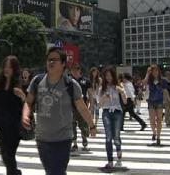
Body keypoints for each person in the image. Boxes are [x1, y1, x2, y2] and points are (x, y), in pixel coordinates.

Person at [22, 47, 96, 175]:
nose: (51, 62)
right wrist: (25, 115)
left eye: (55, 60)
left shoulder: (71, 85)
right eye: (49, 60)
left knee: (56, 171)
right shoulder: (37, 81)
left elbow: (82, 107)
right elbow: (28, 102)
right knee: (51, 171)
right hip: (42, 137)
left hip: (63, 138)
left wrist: (92, 125)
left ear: (63, 64)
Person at [98, 66, 127, 170]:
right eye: (106, 76)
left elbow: (125, 102)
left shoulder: (118, 86)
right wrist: (104, 98)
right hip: (106, 112)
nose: (108, 78)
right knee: (108, 137)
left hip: (117, 112)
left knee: (116, 136)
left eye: (110, 75)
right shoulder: (102, 88)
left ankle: (118, 149)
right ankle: (110, 161)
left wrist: (122, 92)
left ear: (113, 76)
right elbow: (99, 105)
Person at [143, 64, 169, 146]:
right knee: (152, 121)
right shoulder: (149, 81)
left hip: (159, 101)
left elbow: (165, 91)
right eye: (153, 71)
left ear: (159, 71)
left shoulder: (162, 81)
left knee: (159, 120)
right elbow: (143, 83)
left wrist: (168, 101)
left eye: (156, 70)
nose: (155, 72)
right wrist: (147, 73)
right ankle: (154, 132)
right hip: (151, 101)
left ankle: (158, 137)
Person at [69, 64, 92, 153]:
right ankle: (74, 144)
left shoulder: (85, 81)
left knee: (83, 125)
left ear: (79, 70)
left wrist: (91, 106)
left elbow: (90, 94)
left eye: (76, 70)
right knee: (72, 125)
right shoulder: (68, 81)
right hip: (71, 106)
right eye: (73, 70)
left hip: (83, 106)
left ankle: (84, 138)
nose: (74, 71)